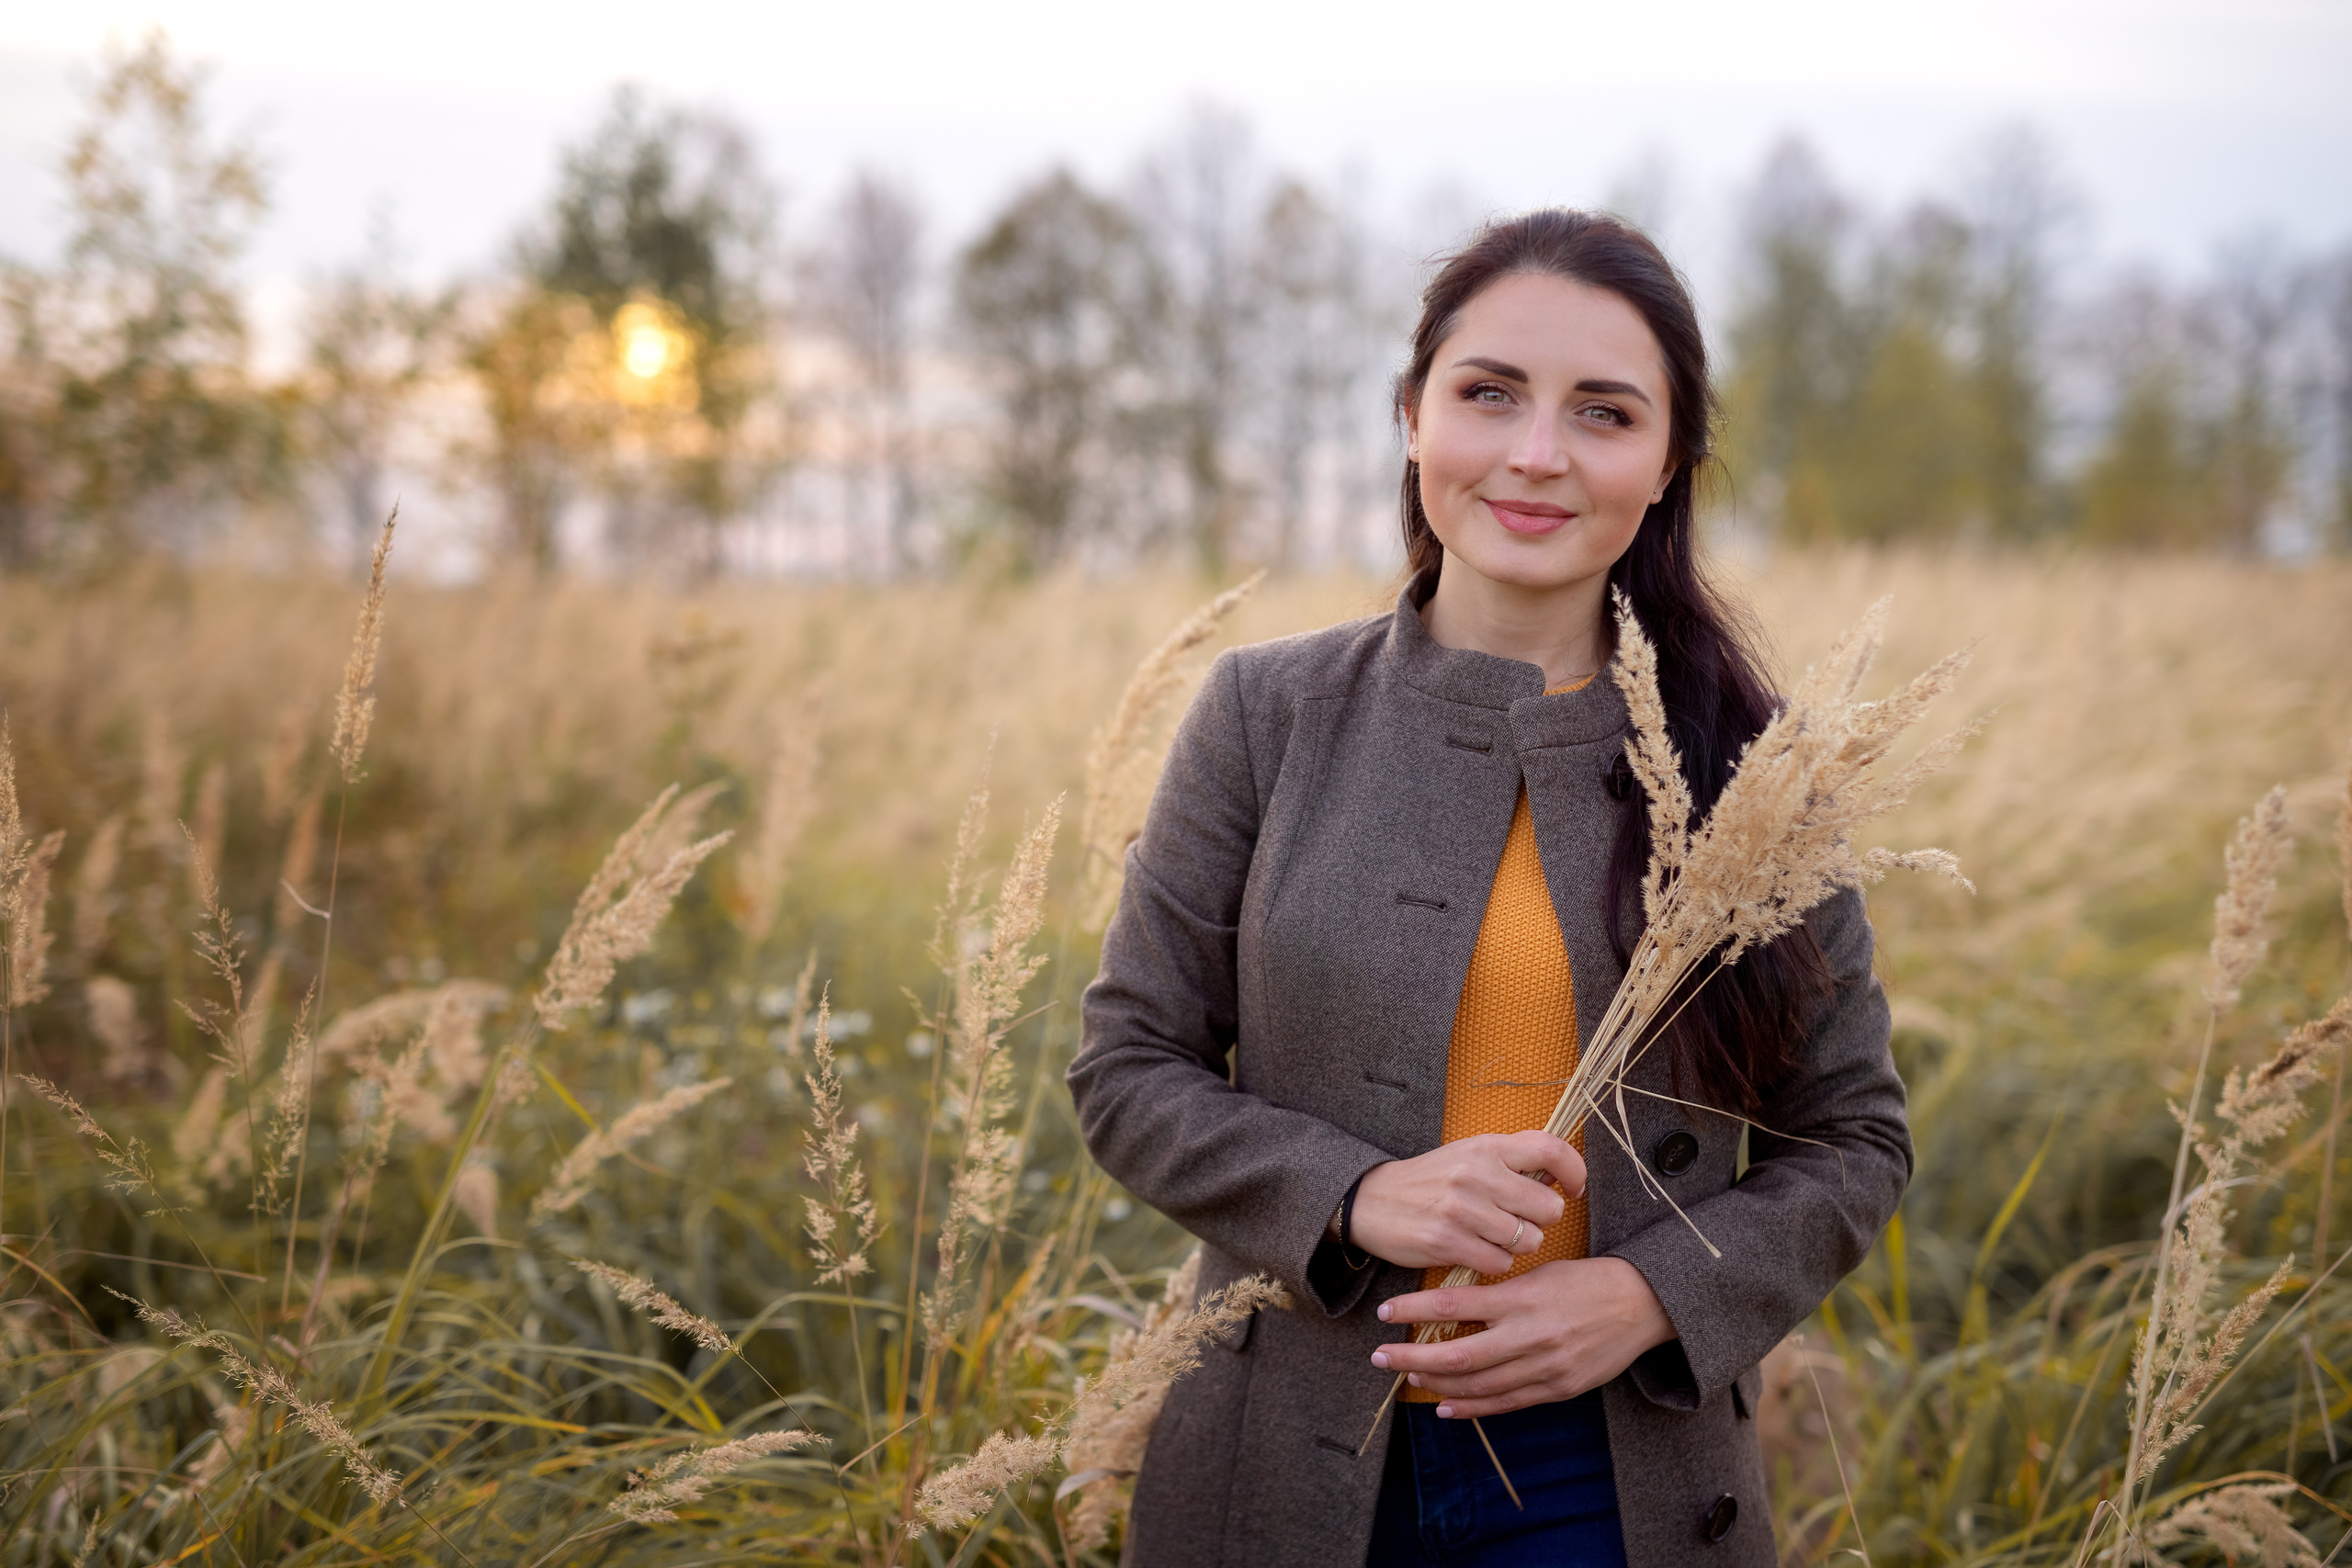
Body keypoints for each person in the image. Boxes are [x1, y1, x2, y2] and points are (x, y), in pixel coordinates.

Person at [1067, 209, 1909, 1568]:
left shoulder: (1758, 772)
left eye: (1604, 413)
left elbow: (1855, 1140)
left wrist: (1647, 1295)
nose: (1537, 454)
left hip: (1611, 1475)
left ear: (1669, 462)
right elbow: (1126, 1067)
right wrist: (1352, 1195)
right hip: (1281, 1461)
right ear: (1412, 416)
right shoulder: (1264, 714)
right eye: (1490, 394)